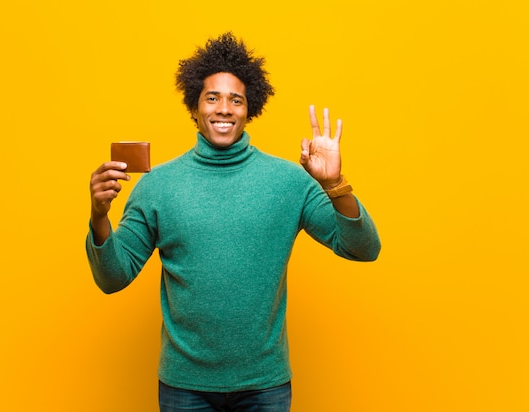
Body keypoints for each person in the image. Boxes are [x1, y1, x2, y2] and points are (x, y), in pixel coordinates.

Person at [86, 32, 381, 412]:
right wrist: (98, 216)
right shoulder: (158, 185)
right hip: (184, 386)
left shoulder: (289, 182)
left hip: (264, 386)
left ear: (249, 109)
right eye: (213, 97)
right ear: (195, 107)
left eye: (235, 99)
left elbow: (364, 249)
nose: (223, 108)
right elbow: (113, 278)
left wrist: (334, 185)